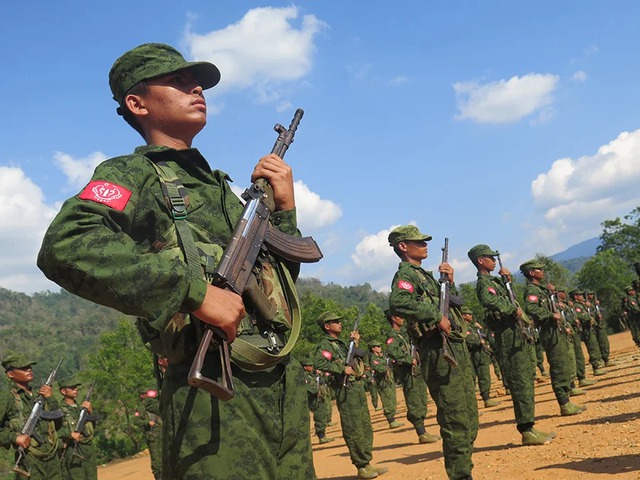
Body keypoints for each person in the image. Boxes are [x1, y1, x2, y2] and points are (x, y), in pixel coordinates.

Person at [37, 43, 314, 479]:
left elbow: (276, 285)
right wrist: (195, 293)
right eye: (179, 81)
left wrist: (284, 209)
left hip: (279, 379)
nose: (196, 88)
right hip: (213, 396)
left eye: (197, 81)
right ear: (137, 103)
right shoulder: (132, 175)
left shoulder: (222, 188)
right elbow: (65, 246)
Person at [389, 225, 477, 480]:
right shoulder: (406, 274)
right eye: (418, 242)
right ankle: (461, 475)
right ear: (403, 246)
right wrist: (435, 317)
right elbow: (399, 301)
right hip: (437, 350)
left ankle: (463, 469)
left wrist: (450, 283)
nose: (424, 245)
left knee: (469, 416)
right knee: (455, 418)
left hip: (453, 347)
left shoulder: (425, 276)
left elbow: (455, 306)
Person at [467, 244, 554, 446]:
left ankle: (529, 426)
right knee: (519, 382)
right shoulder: (484, 283)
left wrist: (509, 283)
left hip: (515, 334)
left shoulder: (496, 281)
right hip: (506, 336)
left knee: (525, 379)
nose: (494, 260)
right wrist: (511, 310)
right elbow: (490, 301)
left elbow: (512, 300)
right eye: (490, 257)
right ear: (481, 260)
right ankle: (525, 429)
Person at [313, 311, 388, 479]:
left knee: (364, 425)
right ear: (327, 326)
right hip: (345, 390)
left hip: (356, 388)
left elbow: (356, 357)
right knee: (353, 427)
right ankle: (361, 466)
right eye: (335, 321)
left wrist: (355, 343)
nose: (340, 323)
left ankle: (367, 462)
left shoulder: (340, 344)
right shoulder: (326, 344)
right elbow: (319, 362)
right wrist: (341, 369)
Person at [520, 260, 585, 416]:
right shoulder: (532, 290)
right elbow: (531, 308)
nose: (542, 272)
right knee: (558, 365)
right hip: (549, 331)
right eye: (539, 270)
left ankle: (567, 399)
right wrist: (551, 315)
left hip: (556, 330)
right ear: (531, 273)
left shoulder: (541, 290)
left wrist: (552, 295)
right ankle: (564, 403)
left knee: (564, 363)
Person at [0, 352, 64, 480]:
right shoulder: (7, 397)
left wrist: (50, 398)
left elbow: (58, 424)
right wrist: (14, 437)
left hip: (51, 457)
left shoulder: (39, 395)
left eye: (29, 367)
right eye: (23, 368)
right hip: (29, 460)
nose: (28, 369)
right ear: (10, 374)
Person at [384, 309, 440, 444]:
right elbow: (392, 351)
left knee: (421, 399)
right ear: (393, 318)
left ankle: (424, 431)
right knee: (414, 401)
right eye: (400, 317)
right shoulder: (393, 336)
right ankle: (421, 433)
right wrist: (409, 359)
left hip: (416, 371)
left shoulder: (404, 334)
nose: (402, 319)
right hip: (408, 372)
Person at [460, 307, 500, 409]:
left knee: (485, 376)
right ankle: (472, 405)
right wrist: (479, 342)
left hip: (480, 355)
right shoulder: (463, 327)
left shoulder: (472, 327)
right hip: (471, 355)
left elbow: (483, 335)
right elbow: (469, 340)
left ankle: (487, 399)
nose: (471, 316)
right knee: (471, 380)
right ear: (464, 315)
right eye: (469, 314)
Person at [58, 376, 97, 480]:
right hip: (73, 450)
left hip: (87, 449)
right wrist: (69, 434)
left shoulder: (81, 408)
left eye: (76, 387)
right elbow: (56, 431)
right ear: (63, 391)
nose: (75, 389)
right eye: (71, 387)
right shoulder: (59, 410)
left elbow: (92, 426)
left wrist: (90, 411)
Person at [571, 290, 606, 377]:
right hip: (585, 329)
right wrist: (589, 317)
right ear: (575, 296)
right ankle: (595, 368)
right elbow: (580, 315)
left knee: (594, 346)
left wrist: (591, 307)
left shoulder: (583, 304)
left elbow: (593, 313)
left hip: (589, 328)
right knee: (592, 347)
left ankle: (597, 365)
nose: (581, 296)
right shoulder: (576, 306)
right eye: (579, 295)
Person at [367, 341, 402, 429]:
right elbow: (379, 369)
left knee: (392, 399)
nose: (380, 347)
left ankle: (393, 418)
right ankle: (391, 420)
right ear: (373, 348)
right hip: (383, 381)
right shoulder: (374, 359)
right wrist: (387, 367)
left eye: (379, 346)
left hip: (389, 380)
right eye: (377, 346)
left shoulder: (382, 356)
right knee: (387, 400)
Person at [301, 356, 335, 445]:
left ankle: (322, 435)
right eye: (310, 365)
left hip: (318, 398)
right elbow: (308, 388)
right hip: (312, 399)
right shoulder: (304, 376)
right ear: (305, 367)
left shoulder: (311, 375)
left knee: (322, 415)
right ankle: (321, 437)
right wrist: (317, 391)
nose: (312, 367)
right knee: (319, 416)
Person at [135, 385, 162, 480]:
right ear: (141, 396)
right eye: (144, 394)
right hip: (152, 436)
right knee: (156, 460)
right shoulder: (140, 408)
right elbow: (136, 421)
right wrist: (147, 422)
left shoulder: (154, 404)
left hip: (161, 434)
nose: (147, 395)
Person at [586, 291, 614, 367]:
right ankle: (599, 361)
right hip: (592, 327)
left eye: (592, 294)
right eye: (589, 294)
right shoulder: (585, 305)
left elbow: (601, 312)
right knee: (595, 345)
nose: (591, 296)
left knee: (604, 343)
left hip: (599, 325)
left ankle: (606, 359)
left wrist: (597, 307)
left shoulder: (594, 304)